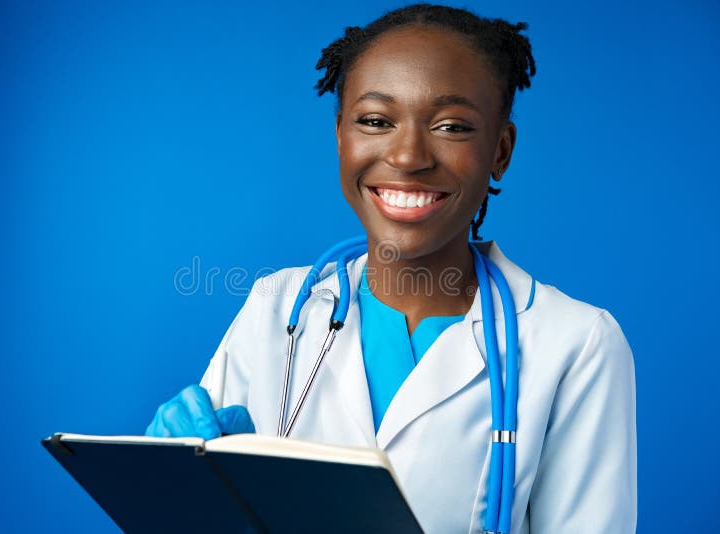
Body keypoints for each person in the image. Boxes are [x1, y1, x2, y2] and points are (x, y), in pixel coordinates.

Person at [146, 4, 637, 533]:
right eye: (376, 121)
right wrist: (169, 490)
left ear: (500, 149)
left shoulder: (577, 345)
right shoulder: (277, 307)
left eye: (451, 126)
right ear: (341, 135)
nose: (407, 156)